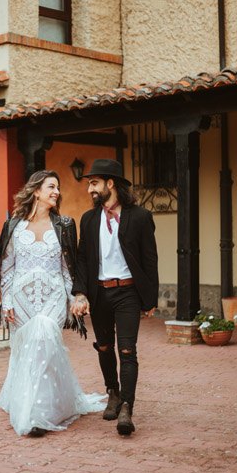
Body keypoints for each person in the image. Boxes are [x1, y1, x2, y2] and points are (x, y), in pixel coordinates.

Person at [0, 170, 104, 437]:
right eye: (51, 187)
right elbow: (6, 269)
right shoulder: (14, 226)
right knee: (27, 352)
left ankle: (38, 415)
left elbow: (67, 268)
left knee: (44, 341)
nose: (56, 192)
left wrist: (72, 297)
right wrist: (5, 301)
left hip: (53, 297)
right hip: (20, 300)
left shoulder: (65, 224)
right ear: (35, 191)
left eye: (57, 188)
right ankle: (31, 402)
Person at [70, 159, 158, 437]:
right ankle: (113, 392)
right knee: (105, 348)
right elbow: (83, 259)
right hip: (99, 293)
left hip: (128, 292)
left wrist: (150, 299)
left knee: (127, 350)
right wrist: (81, 292)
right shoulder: (88, 218)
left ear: (110, 183)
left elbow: (149, 259)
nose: (90, 190)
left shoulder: (140, 217)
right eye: (89, 184)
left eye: (94, 183)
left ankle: (127, 409)